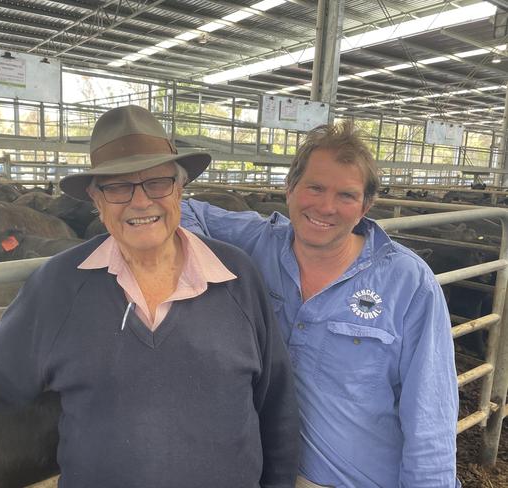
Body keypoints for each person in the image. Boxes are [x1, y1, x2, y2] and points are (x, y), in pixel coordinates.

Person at [0, 105, 300, 488]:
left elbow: (275, 401)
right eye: (118, 187)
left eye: (157, 183)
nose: (140, 202)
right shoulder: (62, 285)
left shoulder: (236, 275)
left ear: (180, 188)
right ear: (96, 199)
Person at [181, 122, 460, 488]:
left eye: (346, 195)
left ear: (366, 205)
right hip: (263, 472)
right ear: (290, 189)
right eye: (314, 187)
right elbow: (187, 210)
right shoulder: (260, 240)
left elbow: (430, 418)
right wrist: (202, 281)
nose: (326, 207)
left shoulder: (408, 283)